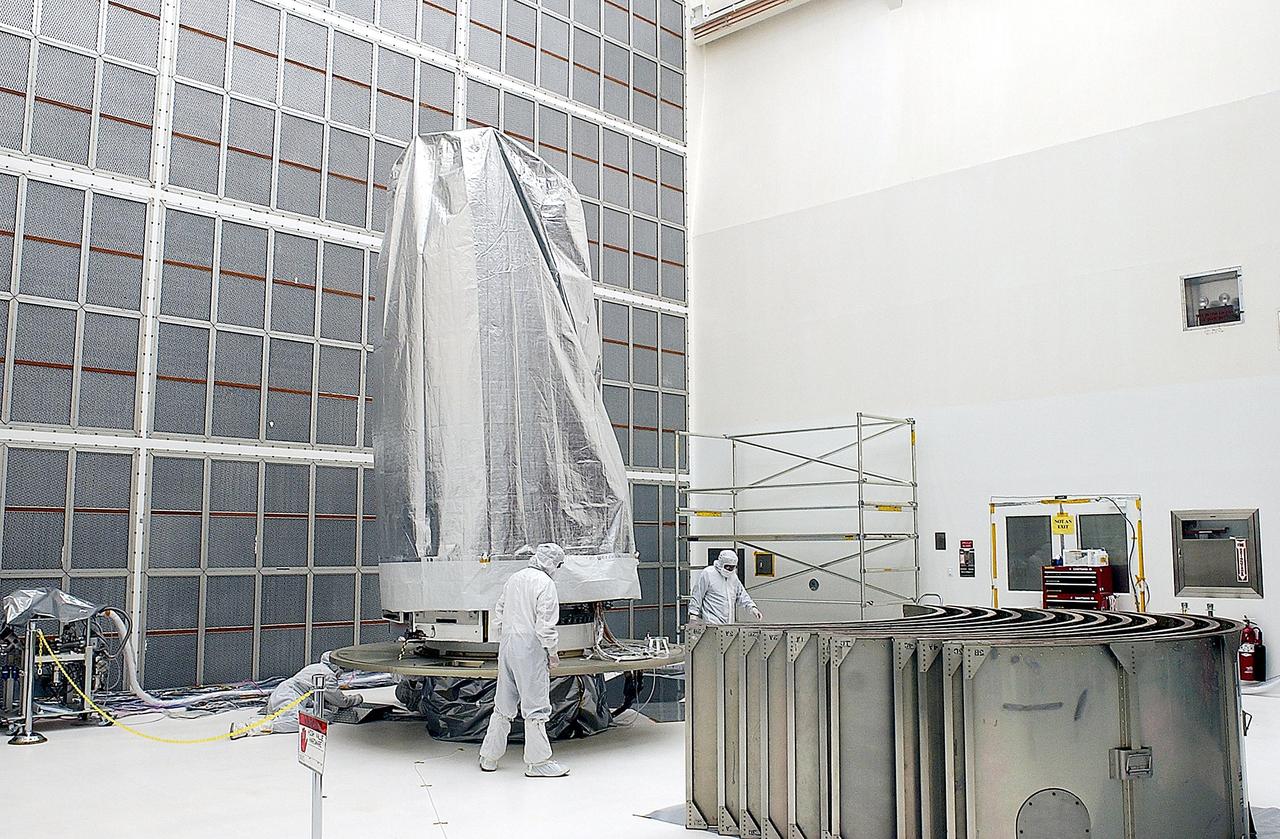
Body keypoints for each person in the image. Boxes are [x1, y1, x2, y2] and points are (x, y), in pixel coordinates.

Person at [479, 543, 569, 778]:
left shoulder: (515, 578)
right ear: (551, 563)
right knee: (536, 706)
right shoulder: (545, 584)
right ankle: (538, 762)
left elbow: (499, 611)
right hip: (530, 648)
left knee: (503, 704)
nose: (557, 569)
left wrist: (504, 637)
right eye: (558, 565)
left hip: (507, 646)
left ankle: (489, 757)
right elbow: (545, 624)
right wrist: (552, 652)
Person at [232, 651, 363, 737]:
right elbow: (340, 701)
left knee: (325, 716)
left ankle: (256, 724)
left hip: (282, 694)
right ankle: (249, 728)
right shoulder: (327, 675)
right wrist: (357, 699)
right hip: (290, 698)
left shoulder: (314, 667)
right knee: (300, 721)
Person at [688, 549, 762, 627]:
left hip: (729, 624)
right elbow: (697, 595)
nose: (730, 570)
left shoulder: (733, 577)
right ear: (721, 563)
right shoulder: (708, 573)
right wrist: (693, 616)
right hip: (711, 623)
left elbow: (742, 595)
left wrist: (752, 608)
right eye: (727, 567)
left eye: (732, 567)